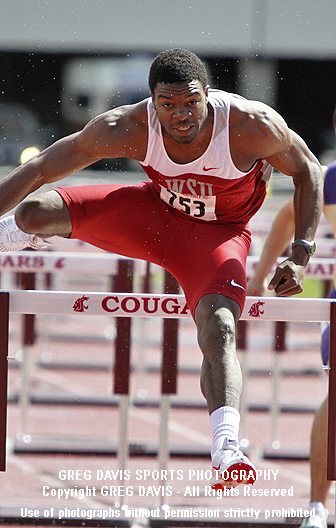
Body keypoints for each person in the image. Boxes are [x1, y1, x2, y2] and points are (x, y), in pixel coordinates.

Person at [0, 49, 323, 491]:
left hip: (216, 237)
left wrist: (301, 251)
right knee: (33, 212)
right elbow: (39, 168)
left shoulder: (250, 126)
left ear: (208, 95)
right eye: (167, 105)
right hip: (152, 218)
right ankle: (18, 234)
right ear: (151, 103)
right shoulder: (127, 126)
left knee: (221, 326)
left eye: (191, 103)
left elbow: (308, 170)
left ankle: (227, 445)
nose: (181, 116)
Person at [247, 106, 336, 526]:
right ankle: (317, 505)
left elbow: (288, 215)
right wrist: (262, 272)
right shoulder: (331, 179)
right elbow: (288, 215)